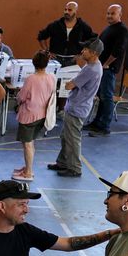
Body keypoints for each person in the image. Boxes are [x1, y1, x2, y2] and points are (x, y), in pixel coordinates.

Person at [48, 38, 102, 179]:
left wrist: (68, 82)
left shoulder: (90, 69)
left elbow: (69, 85)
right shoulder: (93, 65)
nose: (82, 51)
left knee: (72, 139)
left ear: (94, 53)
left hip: (77, 108)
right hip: (77, 106)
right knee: (66, 137)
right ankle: (63, 162)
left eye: (86, 50)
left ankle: (75, 168)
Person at [12, 51, 56, 182]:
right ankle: (27, 168)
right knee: (31, 142)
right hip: (43, 115)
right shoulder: (52, 77)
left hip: (29, 115)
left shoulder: (31, 78)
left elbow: (22, 96)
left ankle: (29, 172)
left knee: (27, 144)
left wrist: (17, 99)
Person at [87, 4, 128, 137]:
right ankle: (96, 123)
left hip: (108, 69)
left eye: (113, 13)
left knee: (107, 97)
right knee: (101, 97)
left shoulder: (122, 30)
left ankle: (105, 127)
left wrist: (106, 64)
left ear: (120, 15)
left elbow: (119, 50)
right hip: (101, 68)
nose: (109, 16)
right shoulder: (109, 28)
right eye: (108, 13)